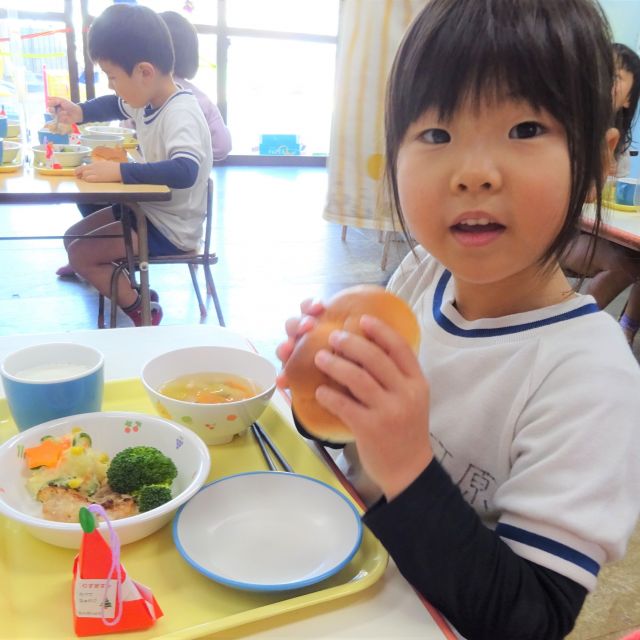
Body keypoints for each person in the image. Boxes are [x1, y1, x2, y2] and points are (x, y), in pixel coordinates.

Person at [276, 1, 640, 638]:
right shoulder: (421, 276)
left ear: (599, 159)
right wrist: (326, 397)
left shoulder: (593, 380)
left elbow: (531, 620)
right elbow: (351, 449)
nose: (473, 174)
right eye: (437, 135)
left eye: (525, 129)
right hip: (349, 590)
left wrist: (408, 465)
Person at [49, 3, 213, 326]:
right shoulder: (147, 99)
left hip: (170, 229)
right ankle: (119, 280)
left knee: (81, 253)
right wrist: (79, 111)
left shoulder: (180, 112)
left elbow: (185, 170)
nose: (111, 84)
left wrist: (120, 172)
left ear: (144, 71)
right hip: (147, 212)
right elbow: (114, 104)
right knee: (72, 240)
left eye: (112, 76)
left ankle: (141, 309)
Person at [561, 42, 640, 344]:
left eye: (614, 76)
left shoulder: (619, 146)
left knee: (634, 259)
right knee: (627, 263)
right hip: (560, 235)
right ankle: (566, 327)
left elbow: (606, 194)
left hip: (596, 232)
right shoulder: (566, 124)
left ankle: (626, 329)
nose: (602, 79)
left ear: (629, 97)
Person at [159, 11, 231, 163]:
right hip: (193, 183)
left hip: (144, 180)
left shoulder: (139, 96)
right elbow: (222, 146)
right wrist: (198, 154)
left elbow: (127, 138)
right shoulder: (200, 99)